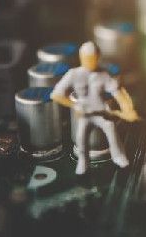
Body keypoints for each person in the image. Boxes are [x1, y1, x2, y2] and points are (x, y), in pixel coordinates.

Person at [51, 41, 139, 174]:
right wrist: (75, 105)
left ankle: (118, 157)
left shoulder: (104, 75)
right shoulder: (73, 74)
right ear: (81, 57)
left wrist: (127, 109)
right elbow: (56, 95)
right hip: (85, 115)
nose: (91, 61)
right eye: (88, 58)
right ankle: (83, 163)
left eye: (93, 58)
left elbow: (117, 93)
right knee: (81, 138)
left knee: (111, 129)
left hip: (101, 112)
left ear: (98, 57)